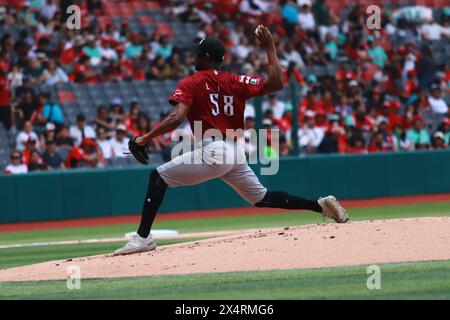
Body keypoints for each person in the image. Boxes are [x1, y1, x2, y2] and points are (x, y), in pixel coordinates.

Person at [114, 28, 349, 256]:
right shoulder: (236, 80)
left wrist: (144, 138)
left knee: (158, 177)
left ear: (207, 58)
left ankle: (143, 238)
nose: (194, 56)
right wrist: (270, 48)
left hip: (214, 150)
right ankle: (320, 205)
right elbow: (276, 83)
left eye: (198, 53)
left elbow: (177, 117)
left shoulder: (192, 82)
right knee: (262, 197)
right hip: (235, 152)